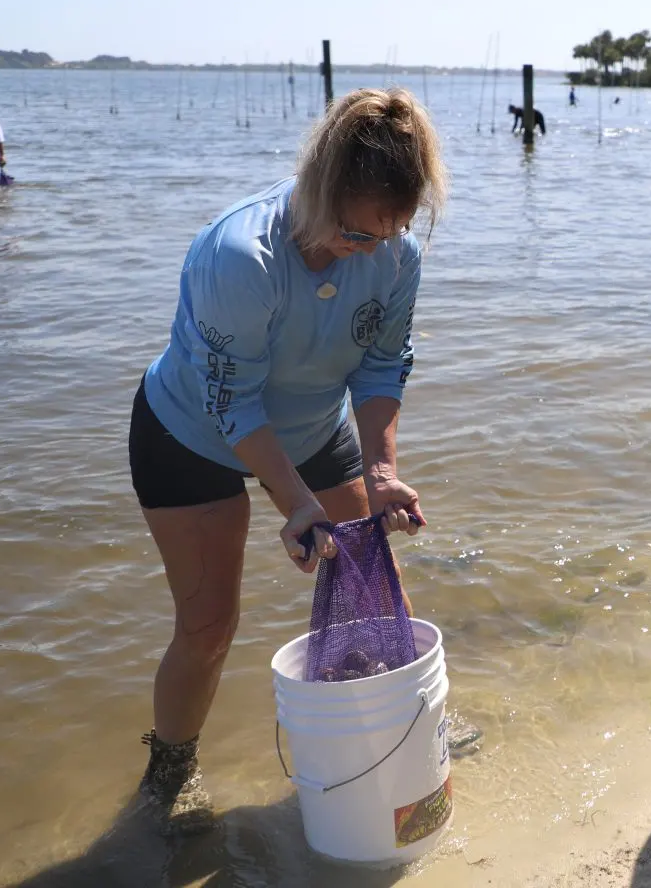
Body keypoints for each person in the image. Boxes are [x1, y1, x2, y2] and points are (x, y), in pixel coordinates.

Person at [128, 87, 447, 831]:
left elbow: (379, 366)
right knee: (208, 626)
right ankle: (168, 776)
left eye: (386, 233)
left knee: (369, 576)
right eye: (352, 231)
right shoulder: (243, 257)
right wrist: (296, 500)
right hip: (191, 430)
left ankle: (392, 733)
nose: (368, 249)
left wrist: (380, 472)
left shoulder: (397, 250)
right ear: (316, 187)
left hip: (312, 425)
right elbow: (231, 402)